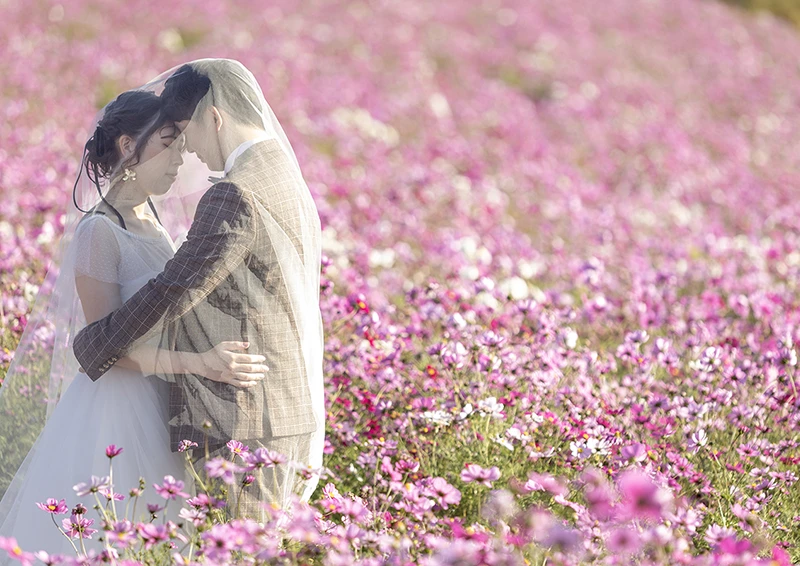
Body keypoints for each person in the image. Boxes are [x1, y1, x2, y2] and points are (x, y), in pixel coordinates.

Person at [0, 88, 266, 558]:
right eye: (168, 145)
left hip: (164, 395)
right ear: (128, 145)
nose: (178, 162)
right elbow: (106, 347)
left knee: (157, 533)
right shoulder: (99, 231)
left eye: (181, 148)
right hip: (117, 404)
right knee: (115, 530)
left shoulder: (153, 217)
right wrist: (200, 362)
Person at [73, 59, 326, 519]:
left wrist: (95, 345)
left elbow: (173, 290)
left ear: (215, 117)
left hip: (247, 418)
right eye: (171, 142)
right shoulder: (282, 173)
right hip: (261, 412)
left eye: (184, 134)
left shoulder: (235, 191)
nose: (187, 152)